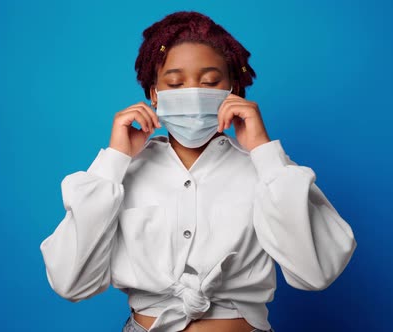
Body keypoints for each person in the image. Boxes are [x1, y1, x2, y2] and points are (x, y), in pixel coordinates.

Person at [40, 11, 357, 332]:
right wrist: (114, 160)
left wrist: (264, 150)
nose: (192, 92)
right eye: (175, 83)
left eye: (209, 82)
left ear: (232, 87)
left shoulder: (266, 170)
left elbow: (316, 273)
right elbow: (71, 283)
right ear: (154, 93)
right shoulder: (121, 174)